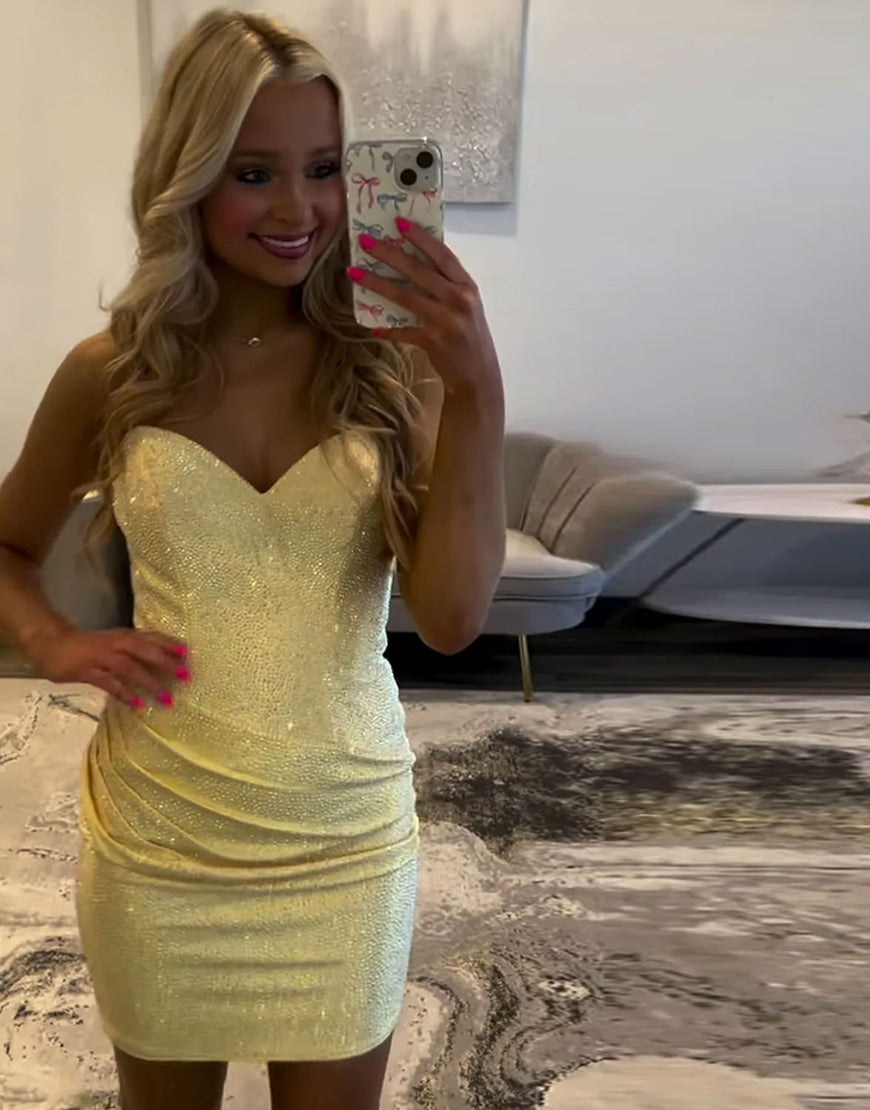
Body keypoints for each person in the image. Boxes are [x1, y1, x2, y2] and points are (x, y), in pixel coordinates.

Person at [0, 9, 506, 1110]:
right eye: (252, 172)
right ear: (186, 177)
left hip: (344, 843)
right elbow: (7, 544)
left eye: (323, 169)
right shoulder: (113, 371)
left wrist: (477, 392)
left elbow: (454, 619)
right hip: (160, 838)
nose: (297, 209)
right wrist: (54, 640)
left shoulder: (397, 366)